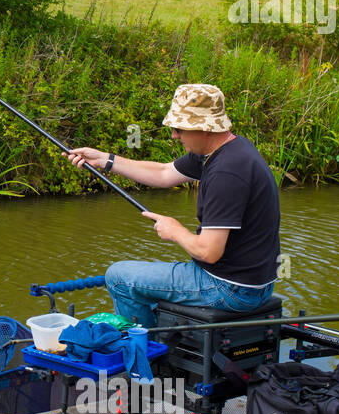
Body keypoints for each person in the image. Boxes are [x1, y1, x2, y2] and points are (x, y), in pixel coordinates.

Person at [64, 83, 280, 328]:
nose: (174, 135)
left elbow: (209, 252)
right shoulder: (229, 148)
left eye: (179, 128)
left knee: (119, 276)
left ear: (205, 128)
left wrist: (175, 230)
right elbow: (164, 173)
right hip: (254, 283)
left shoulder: (225, 173)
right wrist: (105, 159)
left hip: (230, 288)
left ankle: (147, 356)